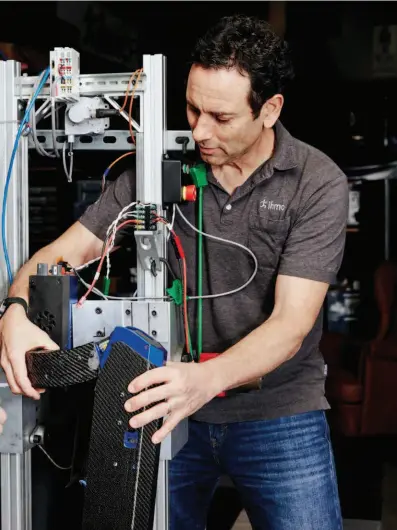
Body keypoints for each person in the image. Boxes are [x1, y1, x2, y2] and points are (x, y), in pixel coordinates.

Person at [0, 14, 348, 530]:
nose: (199, 131)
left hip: (278, 412)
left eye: (221, 117)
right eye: (191, 108)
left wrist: (203, 380)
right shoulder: (154, 167)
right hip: (163, 404)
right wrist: (15, 310)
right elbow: (58, 255)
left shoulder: (315, 183)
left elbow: (290, 325)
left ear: (270, 109)